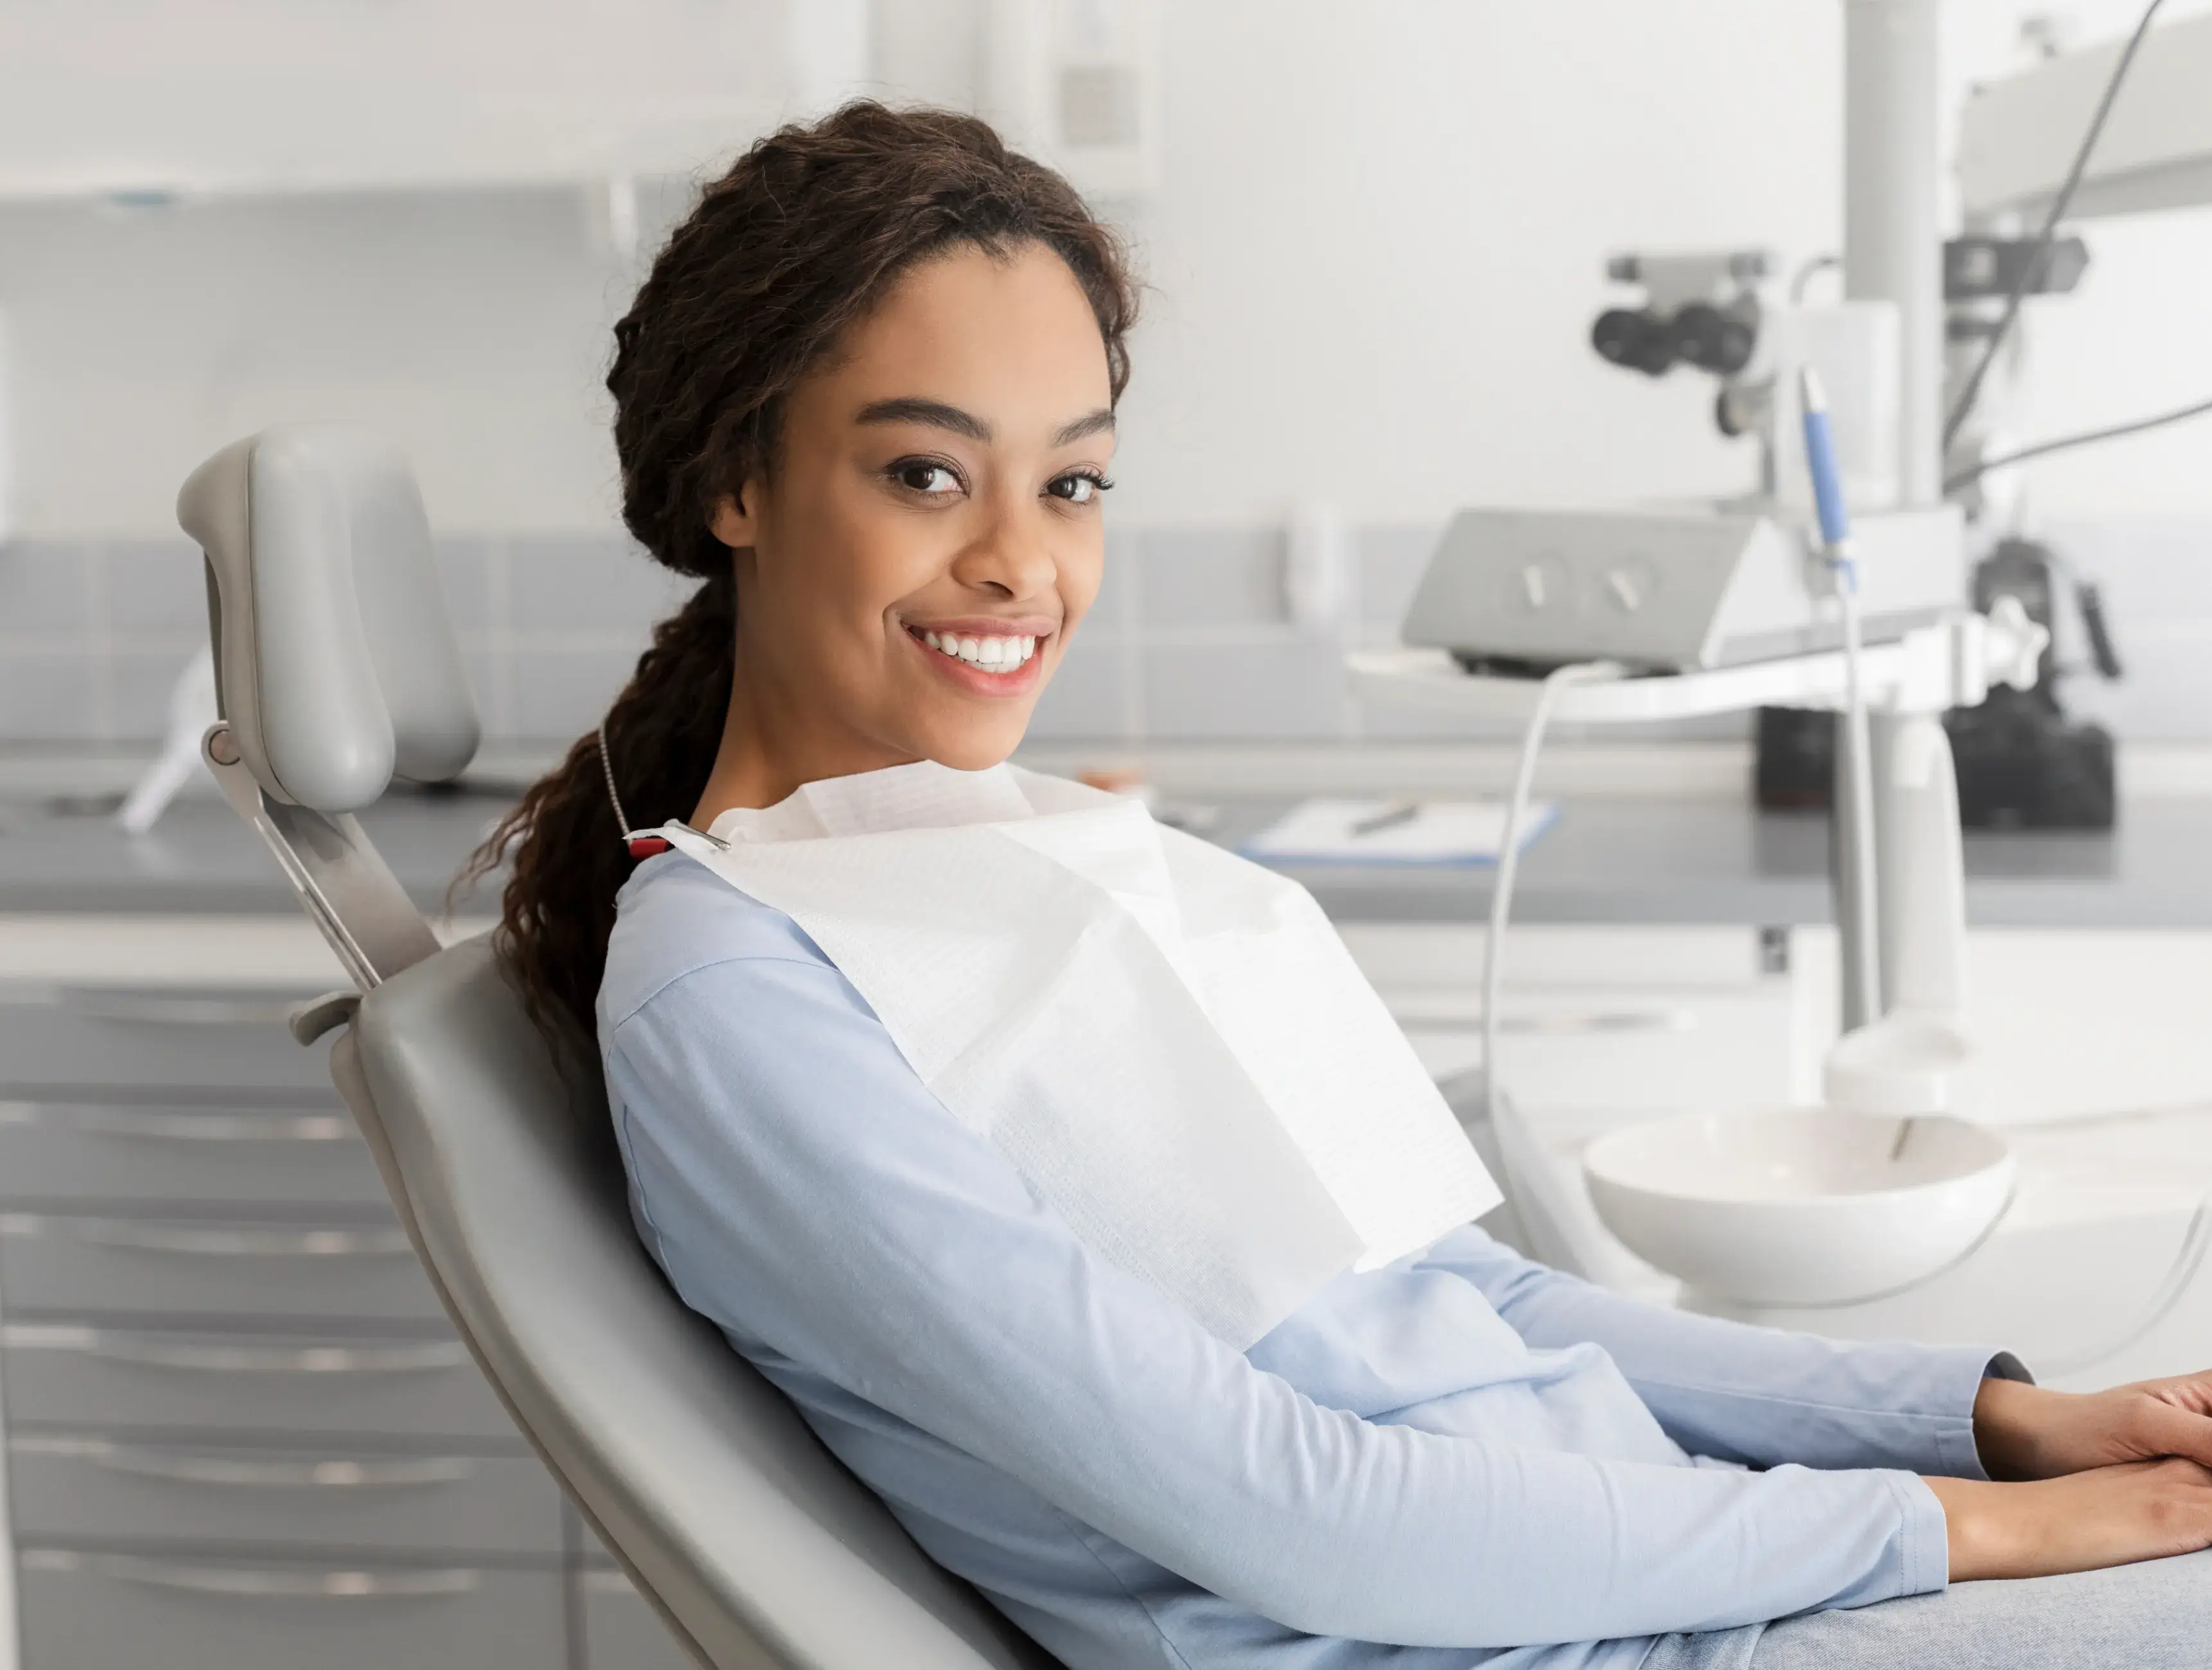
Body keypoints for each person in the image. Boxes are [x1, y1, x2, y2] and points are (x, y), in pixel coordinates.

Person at [475, 103, 2212, 1669]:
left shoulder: (1003, 854)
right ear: (735, 482)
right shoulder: (737, 995)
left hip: (1662, 1551)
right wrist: (1955, 1531)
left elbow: (1481, 1299)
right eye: (924, 471)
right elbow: (1288, 1512)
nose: (1019, 559)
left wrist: (1985, 1425)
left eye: (1069, 481)